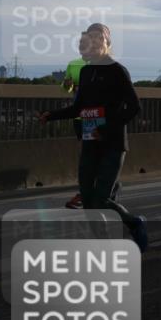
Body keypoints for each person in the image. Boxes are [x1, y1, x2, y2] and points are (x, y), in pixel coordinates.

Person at [40, 23, 148, 251]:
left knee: (101, 198)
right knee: (88, 200)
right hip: (90, 142)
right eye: (91, 38)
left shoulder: (118, 70)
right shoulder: (86, 72)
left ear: (107, 43)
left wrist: (107, 129)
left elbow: (135, 107)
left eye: (99, 38)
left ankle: (134, 222)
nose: (94, 42)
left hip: (113, 143)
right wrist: (51, 115)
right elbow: (78, 107)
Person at [61, 54, 88, 209]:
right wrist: (67, 84)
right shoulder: (73, 64)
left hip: (94, 117)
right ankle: (86, 192)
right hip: (78, 117)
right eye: (81, 43)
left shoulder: (101, 64)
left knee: (90, 153)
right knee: (83, 153)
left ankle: (87, 193)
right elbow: (66, 88)